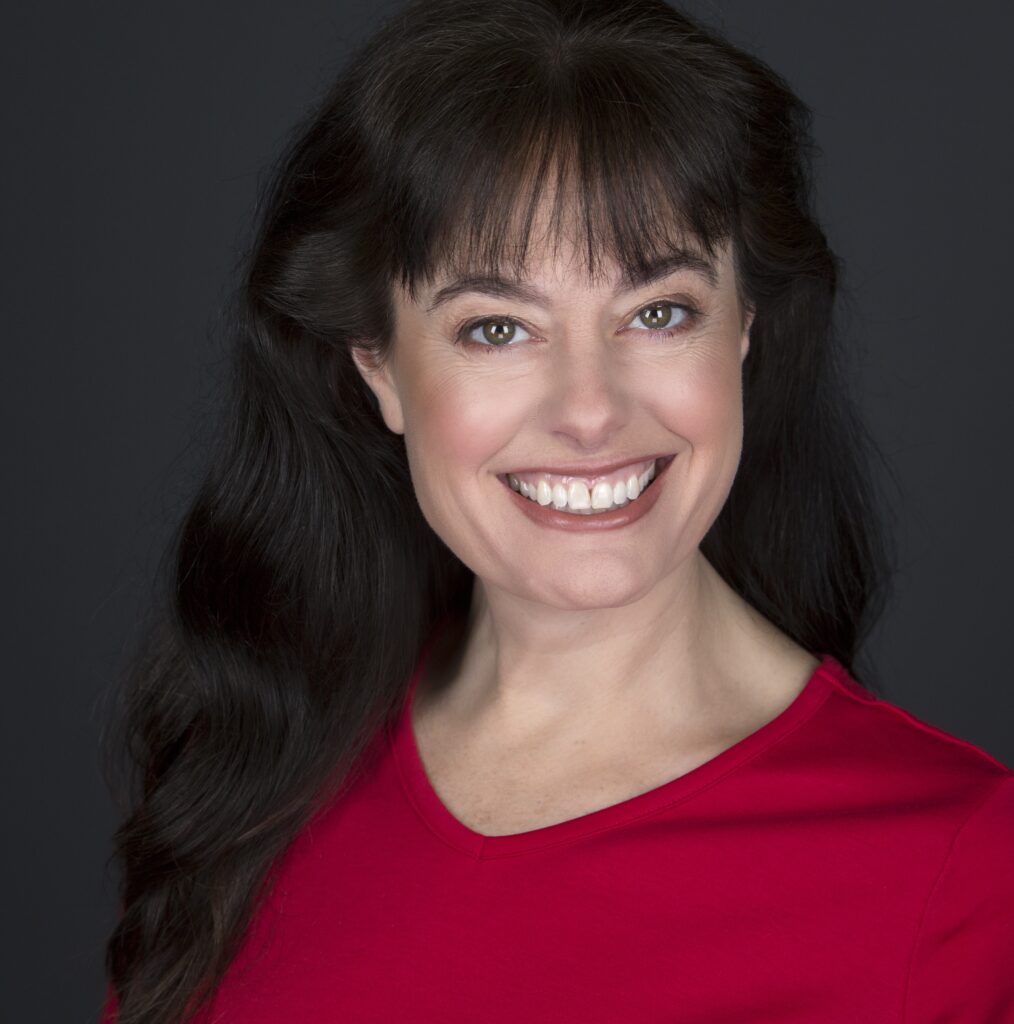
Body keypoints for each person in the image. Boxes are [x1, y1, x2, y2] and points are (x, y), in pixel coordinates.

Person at [99, 0, 1014, 1021]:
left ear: (743, 327)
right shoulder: (250, 774)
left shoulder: (963, 873)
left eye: (658, 313)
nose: (590, 410)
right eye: (497, 328)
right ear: (378, 367)